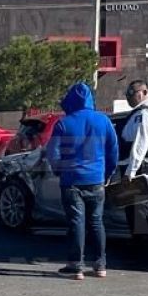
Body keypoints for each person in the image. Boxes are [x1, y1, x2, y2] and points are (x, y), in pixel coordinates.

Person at [45, 81, 119, 280]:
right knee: (96, 222)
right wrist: (107, 173)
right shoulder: (103, 121)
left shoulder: (64, 123)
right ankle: (100, 265)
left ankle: (76, 266)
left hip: (71, 180)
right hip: (96, 180)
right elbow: (113, 151)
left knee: (77, 223)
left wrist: (59, 170)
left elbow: (53, 152)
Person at [120, 80, 148, 238]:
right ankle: (141, 255)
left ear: (145, 92)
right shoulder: (139, 112)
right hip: (138, 168)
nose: (129, 97)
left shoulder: (145, 114)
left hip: (141, 169)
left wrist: (130, 172)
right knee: (134, 212)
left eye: (133, 93)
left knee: (141, 213)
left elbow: (141, 143)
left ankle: (147, 258)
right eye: (127, 94)